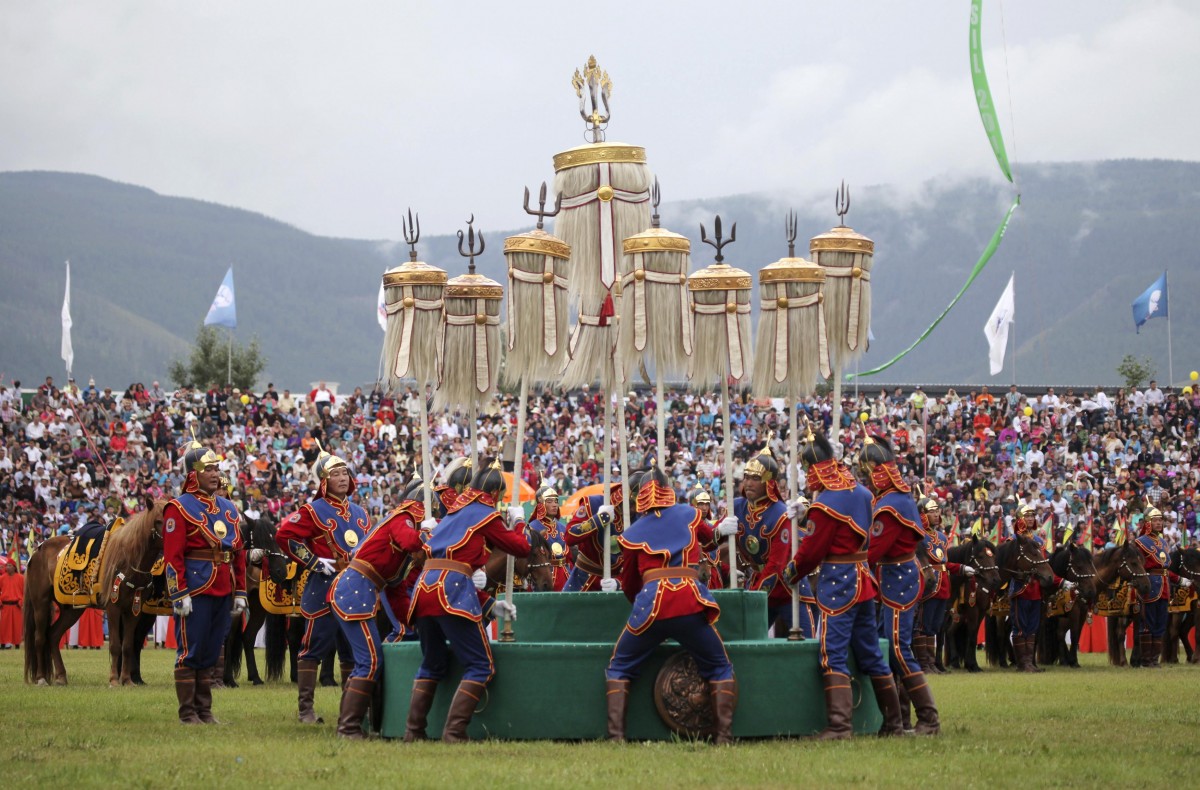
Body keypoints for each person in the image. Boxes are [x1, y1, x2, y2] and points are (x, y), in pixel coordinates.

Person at [603, 462, 738, 743]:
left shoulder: (632, 533)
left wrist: (638, 605)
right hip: (690, 600)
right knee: (719, 665)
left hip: (651, 606)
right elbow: (708, 539)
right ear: (668, 490)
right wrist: (721, 531)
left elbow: (629, 584)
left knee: (620, 667)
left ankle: (616, 736)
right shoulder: (689, 513)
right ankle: (723, 736)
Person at [786, 429, 903, 739]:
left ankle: (839, 726)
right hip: (864, 579)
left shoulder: (825, 503)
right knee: (871, 654)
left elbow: (813, 550)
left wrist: (792, 572)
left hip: (839, 585)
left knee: (832, 652)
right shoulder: (862, 493)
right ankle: (895, 722)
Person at [405, 459, 526, 743]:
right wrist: (518, 521)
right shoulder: (485, 513)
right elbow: (521, 547)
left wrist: (490, 605)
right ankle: (454, 732)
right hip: (450, 592)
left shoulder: (452, 514)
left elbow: (450, 565)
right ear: (496, 495)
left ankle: (413, 732)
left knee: (431, 664)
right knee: (481, 665)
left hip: (425, 590)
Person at [275, 443, 370, 724]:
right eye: (336, 474)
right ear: (325, 482)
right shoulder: (313, 510)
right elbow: (285, 536)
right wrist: (314, 562)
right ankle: (306, 709)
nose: (343, 478)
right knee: (313, 647)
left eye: (345, 473)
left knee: (352, 651)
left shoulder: (361, 513)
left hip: (353, 587)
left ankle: (349, 710)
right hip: (324, 587)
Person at [328, 477, 430, 739]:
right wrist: (425, 535)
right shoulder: (401, 517)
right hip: (354, 589)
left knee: (369, 661)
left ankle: (352, 724)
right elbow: (409, 541)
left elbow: (395, 591)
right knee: (369, 661)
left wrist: (412, 620)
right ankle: (348, 727)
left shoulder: (399, 553)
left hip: (361, 590)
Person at [163, 439, 246, 724]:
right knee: (191, 650)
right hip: (195, 589)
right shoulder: (178, 507)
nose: (214, 473)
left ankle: (205, 711)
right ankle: (188, 713)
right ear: (192, 473)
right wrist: (178, 593)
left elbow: (238, 551)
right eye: (207, 468)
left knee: (211, 651)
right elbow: (172, 557)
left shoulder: (228, 507)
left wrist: (242, 591)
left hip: (224, 587)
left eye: (216, 468)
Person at [860, 436, 939, 735]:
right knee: (890, 648)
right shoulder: (897, 498)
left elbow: (873, 551)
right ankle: (900, 720)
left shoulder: (890, 506)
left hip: (898, 579)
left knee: (898, 649)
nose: (867, 479)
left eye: (869, 473)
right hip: (898, 576)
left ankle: (928, 718)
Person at [732, 441, 811, 638]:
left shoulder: (781, 515)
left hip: (787, 588)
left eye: (755, 478)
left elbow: (776, 566)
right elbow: (712, 541)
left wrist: (755, 598)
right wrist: (718, 531)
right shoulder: (735, 507)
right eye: (747, 477)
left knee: (807, 643)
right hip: (758, 581)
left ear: (768, 483)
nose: (748, 482)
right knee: (748, 640)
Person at [1007, 504, 1074, 672]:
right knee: (1020, 626)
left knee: (1032, 627)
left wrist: (1060, 582)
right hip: (1020, 588)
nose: (1030, 519)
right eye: (1026, 516)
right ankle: (1022, 663)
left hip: (1036, 590)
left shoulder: (1039, 541)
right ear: (1020, 520)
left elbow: (1044, 567)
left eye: (1032, 516)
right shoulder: (1012, 541)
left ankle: (1030, 662)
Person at [915, 496, 973, 675]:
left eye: (937, 511)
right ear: (922, 514)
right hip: (928, 583)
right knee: (923, 625)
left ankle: (932, 662)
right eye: (931, 511)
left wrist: (962, 568)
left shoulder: (940, 536)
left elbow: (945, 563)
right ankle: (923, 663)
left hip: (943, 585)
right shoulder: (917, 535)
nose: (936, 514)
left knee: (935, 626)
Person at [1134, 506, 1173, 668]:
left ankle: (1155, 659)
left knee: (1161, 622)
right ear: (1148, 523)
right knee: (1148, 622)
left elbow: (1167, 566)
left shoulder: (1163, 542)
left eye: (1160, 520)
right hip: (1150, 583)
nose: (1159, 523)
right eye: (1155, 520)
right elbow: (1138, 565)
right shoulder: (1140, 542)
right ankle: (1146, 660)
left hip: (1164, 584)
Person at [529, 484, 571, 591]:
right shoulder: (533, 528)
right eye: (550, 501)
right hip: (545, 576)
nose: (554, 505)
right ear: (541, 504)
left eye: (556, 501)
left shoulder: (563, 527)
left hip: (566, 575)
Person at [0, 558, 23, 648]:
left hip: (17, 605)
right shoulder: (2, 578)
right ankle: (3, 643)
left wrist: (21, 601)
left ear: (14, 567)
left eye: (9, 565)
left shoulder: (21, 578)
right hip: (5, 606)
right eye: (7, 566)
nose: (7, 567)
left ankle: (17, 644)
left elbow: (25, 593)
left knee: (16, 626)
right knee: (4, 626)